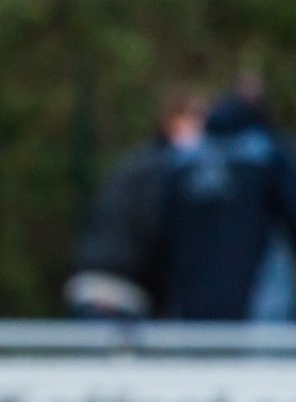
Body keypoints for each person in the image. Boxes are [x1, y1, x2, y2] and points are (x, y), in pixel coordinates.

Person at [159, 73, 296, 320]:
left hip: (192, 314)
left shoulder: (183, 160)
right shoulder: (272, 154)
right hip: (260, 311)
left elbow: (160, 233)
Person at [65, 85, 208, 318]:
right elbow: (158, 231)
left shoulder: (140, 163)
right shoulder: (163, 170)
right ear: (174, 122)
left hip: (103, 282)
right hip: (117, 289)